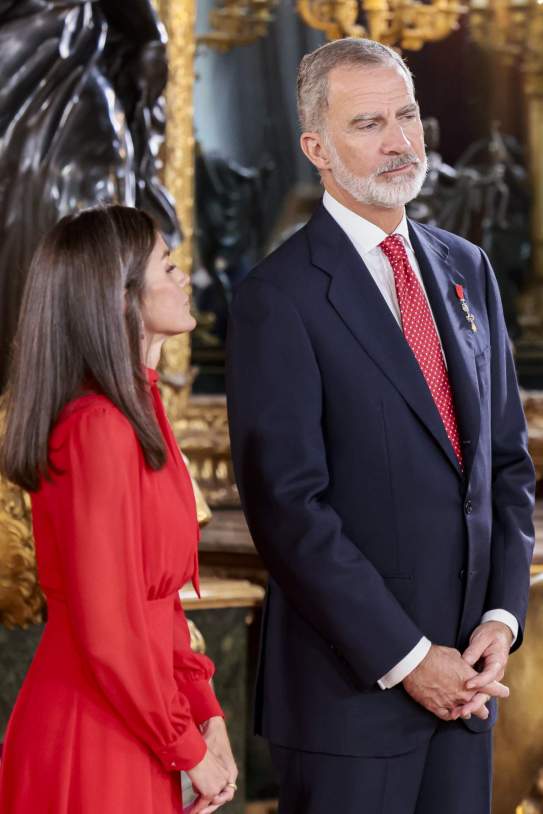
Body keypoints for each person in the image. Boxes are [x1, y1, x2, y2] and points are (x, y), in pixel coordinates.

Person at [226, 38, 535, 814]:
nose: (399, 140)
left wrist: (501, 617)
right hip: (350, 706)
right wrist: (406, 658)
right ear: (316, 149)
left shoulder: (468, 268)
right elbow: (288, 510)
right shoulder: (278, 298)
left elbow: (503, 465)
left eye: (406, 115)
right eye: (368, 123)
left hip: (470, 687)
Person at [0, 205, 237, 814]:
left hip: (136, 723)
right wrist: (186, 747)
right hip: (92, 735)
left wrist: (208, 716)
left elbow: (159, 609)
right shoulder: (97, 427)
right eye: (169, 263)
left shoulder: (139, 412)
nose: (185, 276)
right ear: (121, 295)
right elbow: (108, 629)